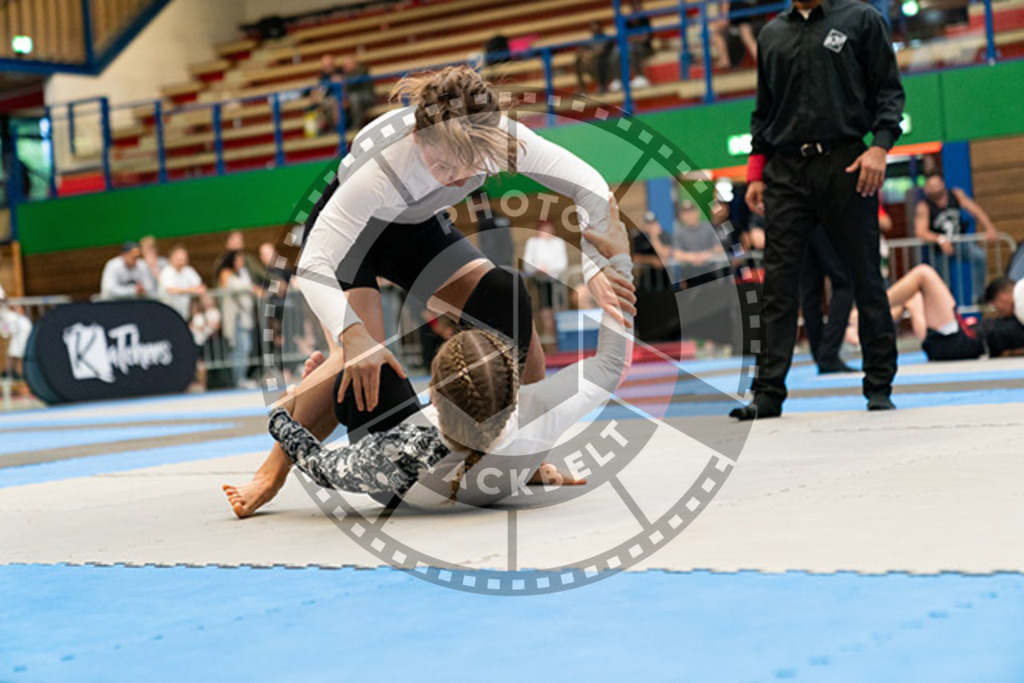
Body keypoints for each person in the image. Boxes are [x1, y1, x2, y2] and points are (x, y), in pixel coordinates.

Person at [222, 66, 634, 517]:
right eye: (443, 166)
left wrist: (596, 265)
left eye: (469, 167)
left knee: (505, 293)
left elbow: (591, 186)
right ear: (419, 138)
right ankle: (273, 470)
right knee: (358, 357)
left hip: (415, 230)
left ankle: (524, 447)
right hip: (349, 236)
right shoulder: (383, 162)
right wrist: (353, 334)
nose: (457, 180)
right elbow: (313, 262)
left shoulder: (497, 139)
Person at [247, 202, 634, 511]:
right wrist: (617, 264)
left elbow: (319, 465)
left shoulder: (400, 452)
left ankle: (335, 363)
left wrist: (282, 413)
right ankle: (334, 369)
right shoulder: (536, 414)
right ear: (514, 388)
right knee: (507, 290)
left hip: (398, 489)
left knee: (363, 364)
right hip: (500, 466)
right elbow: (613, 362)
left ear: (432, 395)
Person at [733, 0, 905, 420]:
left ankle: (878, 384)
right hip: (786, 172)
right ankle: (768, 394)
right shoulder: (772, 34)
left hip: (846, 163)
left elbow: (888, 89)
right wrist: (756, 172)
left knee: (865, 276)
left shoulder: (861, 19)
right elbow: (764, 111)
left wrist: (881, 145)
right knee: (777, 285)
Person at [848, 265, 1024, 361]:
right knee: (912, 297)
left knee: (923, 274)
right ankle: (860, 329)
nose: (998, 312)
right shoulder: (1015, 318)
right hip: (944, 344)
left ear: (1003, 298)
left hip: (957, 342)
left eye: (996, 306)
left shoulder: (1018, 306)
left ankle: (865, 313)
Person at [914, 174, 999, 301]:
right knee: (942, 280)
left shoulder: (956, 195)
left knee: (978, 256)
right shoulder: (924, 206)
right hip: (939, 250)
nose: (935, 189)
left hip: (960, 242)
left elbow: (976, 210)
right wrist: (940, 239)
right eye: (931, 186)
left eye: (937, 185)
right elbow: (920, 231)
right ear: (926, 189)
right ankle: (946, 303)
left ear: (942, 184)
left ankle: (979, 295)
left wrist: (989, 227)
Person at [800, 226, 855, 374]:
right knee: (844, 285)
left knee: (810, 292)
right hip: (824, 220)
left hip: (801, 223)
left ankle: (821, 353)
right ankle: (827, 353)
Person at [522, 220, 569, 349]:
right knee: (545, 313)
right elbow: (527, 264)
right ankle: (549, 342)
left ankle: (558, 341)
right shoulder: (533, 243)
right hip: (539, 282)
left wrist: (548, 269)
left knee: (556, 312)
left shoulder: (558, 242)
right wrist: (538, 269)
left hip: (556, 281)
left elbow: (562, 263)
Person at [217, 250, 258, 388]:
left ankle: (242, 378)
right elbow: (238, 286)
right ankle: (238, 379)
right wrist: (252, 288)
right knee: (240, 348)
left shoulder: (242, 273)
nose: (242, 263)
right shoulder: (226, 273)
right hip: (235, 318)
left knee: (246, 348)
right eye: (239, 260)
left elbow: (247, 284)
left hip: (245, 318)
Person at [671, 199, 727, 281]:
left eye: (691, 212)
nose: (689, 216)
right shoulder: (679, 233)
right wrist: (693, 257)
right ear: (682, 216)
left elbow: (719, 248)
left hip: (710, 274)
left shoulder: (708, 228)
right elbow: (676, 253)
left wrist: (704, 256)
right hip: (689, 276)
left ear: (697, 213)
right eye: (686, 213)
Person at [469, 190, 515, 269]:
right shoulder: (500, 218)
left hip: (495, 268)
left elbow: (488, 249)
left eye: (476, 203)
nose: (474, 207)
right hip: (506, 266)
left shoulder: (486, 222)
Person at [159, 245, 206, 320]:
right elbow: (171, 290)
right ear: (172, 258)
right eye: (180, 259)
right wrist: (191, 290)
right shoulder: (167, 272)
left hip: (185, 311)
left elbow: (199, 286)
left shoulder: (188, 270)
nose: (182, 261)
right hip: (168, 312)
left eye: (184, 259)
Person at [0, 280, 31, 380]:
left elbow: (3, 299)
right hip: (5, 320)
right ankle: (12, 371)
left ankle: (16, 371)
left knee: (23, 324)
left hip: (7, 321)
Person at [575, 21, 616, 93]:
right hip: (590, 62)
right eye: (593, 29)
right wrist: (585, 56)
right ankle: (582, 88)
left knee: (597, 60)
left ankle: (602, 86)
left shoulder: (606, 39)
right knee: (578, 61)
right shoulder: (591, 40)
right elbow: (581, 50)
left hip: (604, 62)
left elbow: (602, 51)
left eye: (596, 28)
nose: (595, 30)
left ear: (600, 28)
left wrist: (591, 55)